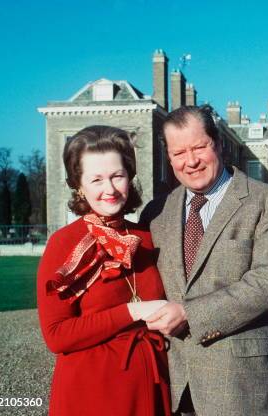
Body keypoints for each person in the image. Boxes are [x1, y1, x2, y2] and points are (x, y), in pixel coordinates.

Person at [140, 105, 268, 416]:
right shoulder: (154, 214)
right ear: (169, 157)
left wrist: (188, 313)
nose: (191, 161)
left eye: (199, 147)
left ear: (219, 144)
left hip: (240, 378)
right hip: (173, 378)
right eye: (179, 152)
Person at [37, 126, 172, 416]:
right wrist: (133, 312)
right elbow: (56, 335)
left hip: (152, 386)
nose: (109, 189)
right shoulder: (63, 243)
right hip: (92, 393)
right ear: (78, 185)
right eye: (96, 179)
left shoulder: (148, 237)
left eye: (117, 176)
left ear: (130, 177)